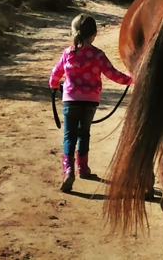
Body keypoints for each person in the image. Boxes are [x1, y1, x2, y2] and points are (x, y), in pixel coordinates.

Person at [49, 13, 132, 193]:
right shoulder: (98, 55)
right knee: (84, 134)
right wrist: (130, 80)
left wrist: (54, 86)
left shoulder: (68, 53)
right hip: (90, 102)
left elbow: (55, 74)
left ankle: (68, 170)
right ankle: (83, 168)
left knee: (69, 136)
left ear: (73, 32)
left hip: (70, 101)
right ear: (94, 34)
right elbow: (113, 74)